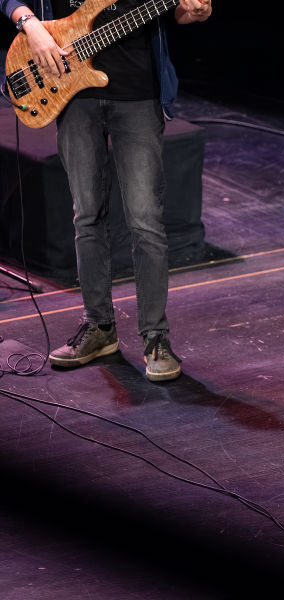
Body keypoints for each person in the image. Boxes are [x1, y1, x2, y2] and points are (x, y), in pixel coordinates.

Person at [2, 0, 213, 381]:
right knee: (87, 217)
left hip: (138, 94)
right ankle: (99, 328)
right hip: (71, 90)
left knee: (146, 222)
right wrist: (30, 25)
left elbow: (180, 12)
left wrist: (192, 11)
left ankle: (155, 337)